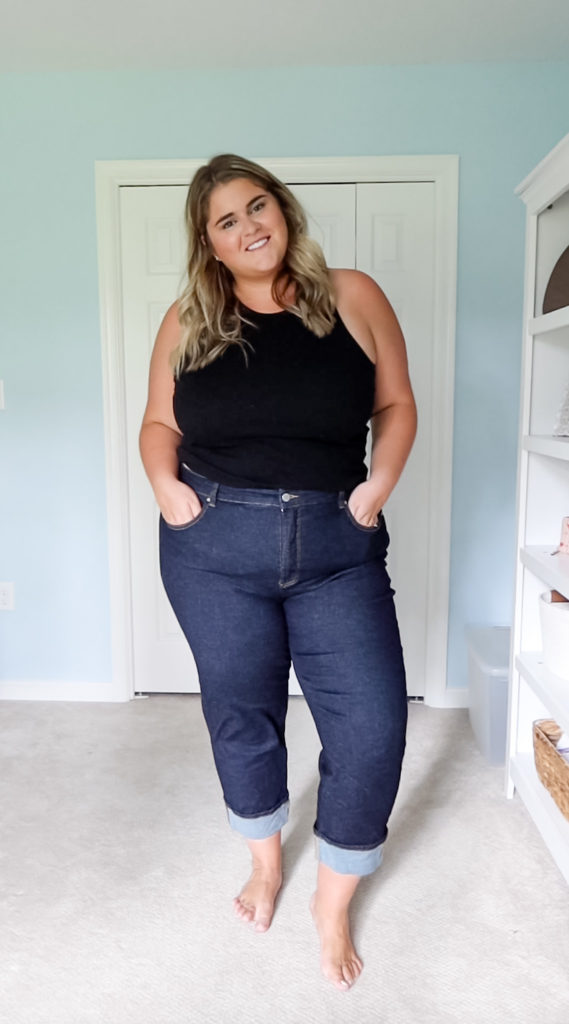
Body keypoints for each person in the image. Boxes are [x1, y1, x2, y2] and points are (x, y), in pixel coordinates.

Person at [139, 154, 417, 991]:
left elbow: (396, 404)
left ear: (282, 210)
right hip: (214, 546)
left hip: (338, 544)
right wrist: (162, 483)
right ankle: (266, 863)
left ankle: (331, 901)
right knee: (242, 716)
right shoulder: (189, 317)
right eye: (226, 220)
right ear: (209, 244)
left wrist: (377, 485)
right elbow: (159, 422)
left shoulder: (352, 294)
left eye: (256, 205)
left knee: (370, 728)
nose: (248, 225)